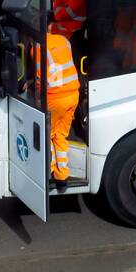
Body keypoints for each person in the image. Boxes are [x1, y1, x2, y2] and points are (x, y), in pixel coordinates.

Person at [44, 27, 81, 187]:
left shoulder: (38, 46)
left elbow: (42, 76)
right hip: (73, 94)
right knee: (61, 134)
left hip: (55, 98)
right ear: (50, 26)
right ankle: (62, 176)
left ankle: (50, 172)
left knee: (48, 135)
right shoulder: (64, 40)